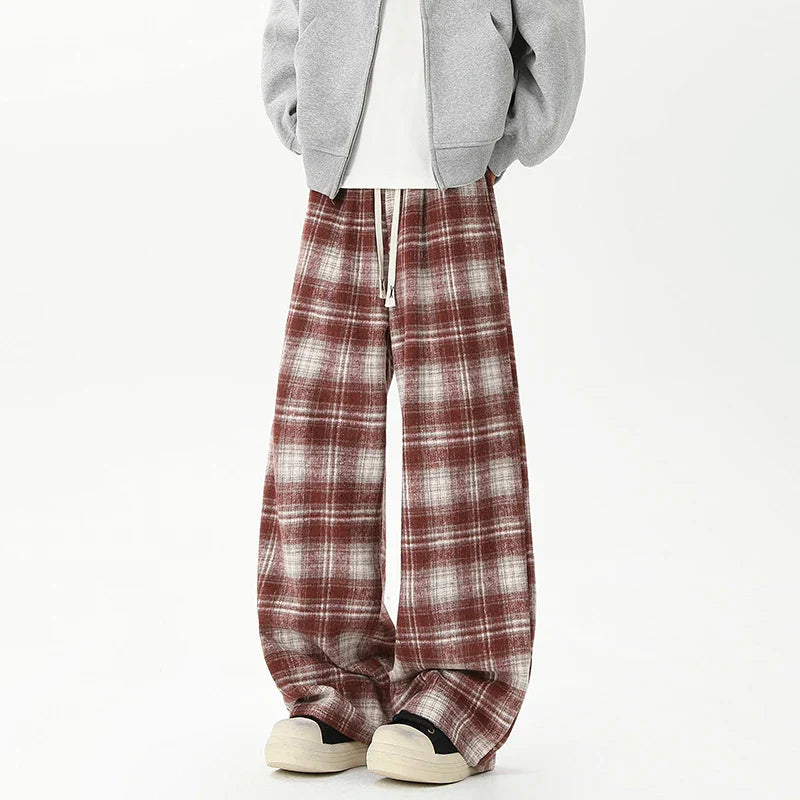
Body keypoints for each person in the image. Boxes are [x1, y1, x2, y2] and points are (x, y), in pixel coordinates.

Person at [257, 0, 585, 784]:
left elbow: (553, 24)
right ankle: (334, 687)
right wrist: (308, 122)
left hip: (453, 190)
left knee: (460, 454)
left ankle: (459, 687)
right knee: (317, 452)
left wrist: (507, 136)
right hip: (338, 189)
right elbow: (288, 20)